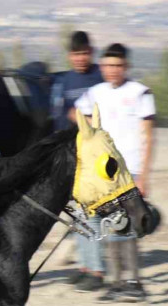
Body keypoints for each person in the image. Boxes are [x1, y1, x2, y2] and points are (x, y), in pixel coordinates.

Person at [75, 43, 156, 301]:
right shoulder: (95, 92)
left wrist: (143, 175)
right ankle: (117, 282)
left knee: (125, 225)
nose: (113, 70)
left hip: (127, 170)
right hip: (102, 173)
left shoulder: (140, 92)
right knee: (106, 225)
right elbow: (78, 116)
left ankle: (133, 282)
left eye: (118, 65)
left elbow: (148, 136)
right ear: (102, 67)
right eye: (108, 65)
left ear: (126, 67)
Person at [52, 31, 107, 292]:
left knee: (92, 212)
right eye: (76, 53)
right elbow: (60, 119)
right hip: (72, 154)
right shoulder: (64, 81)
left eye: (84, 53)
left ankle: (97, 270)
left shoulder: (101, 77)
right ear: (69, 55)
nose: (80, 58)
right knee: (77, 212)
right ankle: (85, 266)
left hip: (96, 156)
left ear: (91, 52)